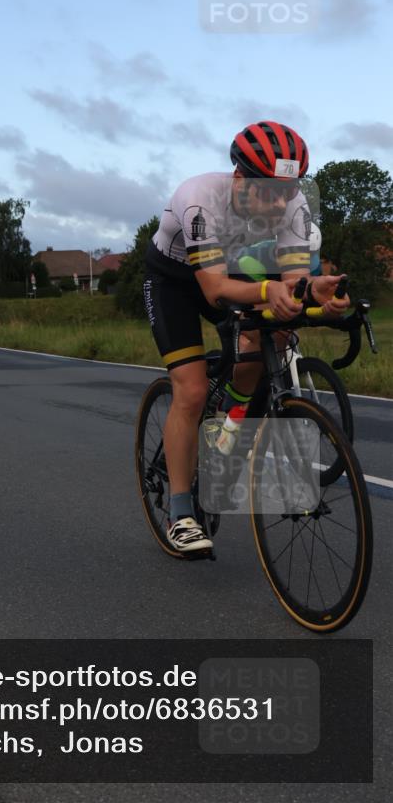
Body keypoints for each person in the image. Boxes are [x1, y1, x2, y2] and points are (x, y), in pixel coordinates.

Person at [143, 121, 349, 554]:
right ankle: (180, 514)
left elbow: (292, 280)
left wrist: (316, 295)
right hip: (176, 281)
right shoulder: (200, 198)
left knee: (274, 336)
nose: (278, 203)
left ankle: (228, 417)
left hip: (233, 270)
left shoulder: (294, 208)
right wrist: (269, 291)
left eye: (288, 191)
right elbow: (214, 290)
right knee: (192, 389)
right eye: (268, 191)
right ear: (239, 179)